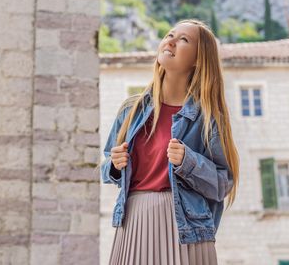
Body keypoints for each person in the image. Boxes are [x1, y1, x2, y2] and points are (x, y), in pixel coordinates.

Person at [99, 19, 239, 265]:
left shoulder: (207, 118)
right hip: (134, 220)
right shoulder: (131, 110)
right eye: (169, 35)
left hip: (185, 228)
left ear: (198, 59)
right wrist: (114, 165)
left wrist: (189, 161)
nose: (171, 41)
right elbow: (106, 168)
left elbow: (223, 183)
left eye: (183, 40)